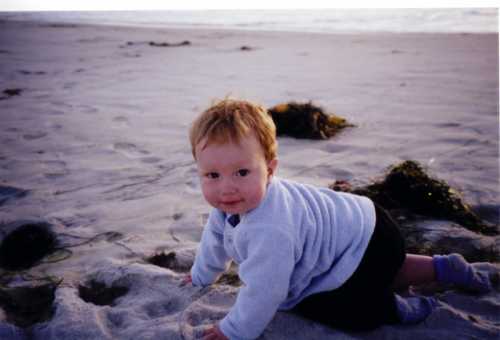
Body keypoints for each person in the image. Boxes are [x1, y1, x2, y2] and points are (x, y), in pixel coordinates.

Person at [185, 98, 492, 340]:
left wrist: (234, 330)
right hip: (368, 225)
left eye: (242, 172)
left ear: (271, 169)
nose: (226, 188)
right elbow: (214, 243)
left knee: (326, 307)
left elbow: (266, 291)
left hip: (369, 241)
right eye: (212, 175)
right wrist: (201, 275)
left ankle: (395, 307)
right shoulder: (229, 205)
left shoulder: (270, 228)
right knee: (383, 268)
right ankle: (443, 267)